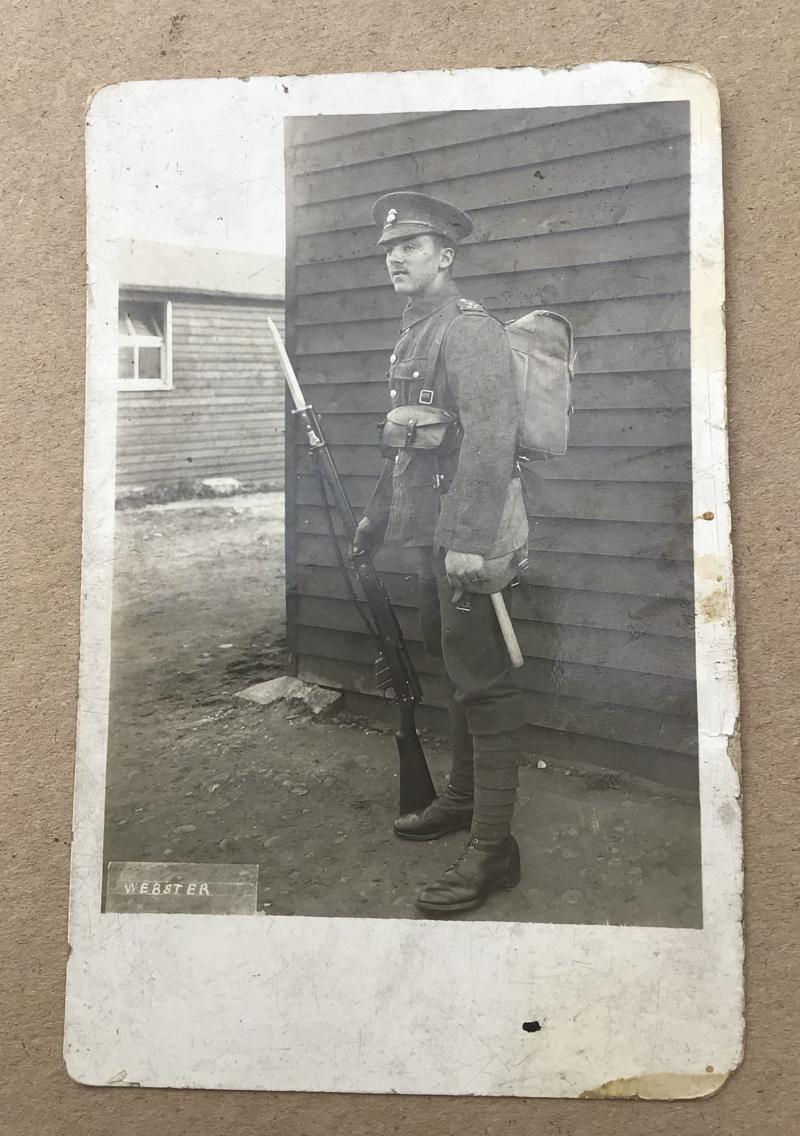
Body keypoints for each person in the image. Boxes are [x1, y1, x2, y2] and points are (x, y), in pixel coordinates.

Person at [352, 191, 529, 915]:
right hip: (429, 530)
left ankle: (494, 851)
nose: (396, 257)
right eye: (391, 250)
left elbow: (492, 440)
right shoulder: (414, 330)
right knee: (456, 667)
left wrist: (467, 542)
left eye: (413, 248)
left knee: (483, 682)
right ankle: (459, 800)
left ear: (445, 257)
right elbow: (410, 442)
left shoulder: (469, 330)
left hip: (467, 539)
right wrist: (376, 516)